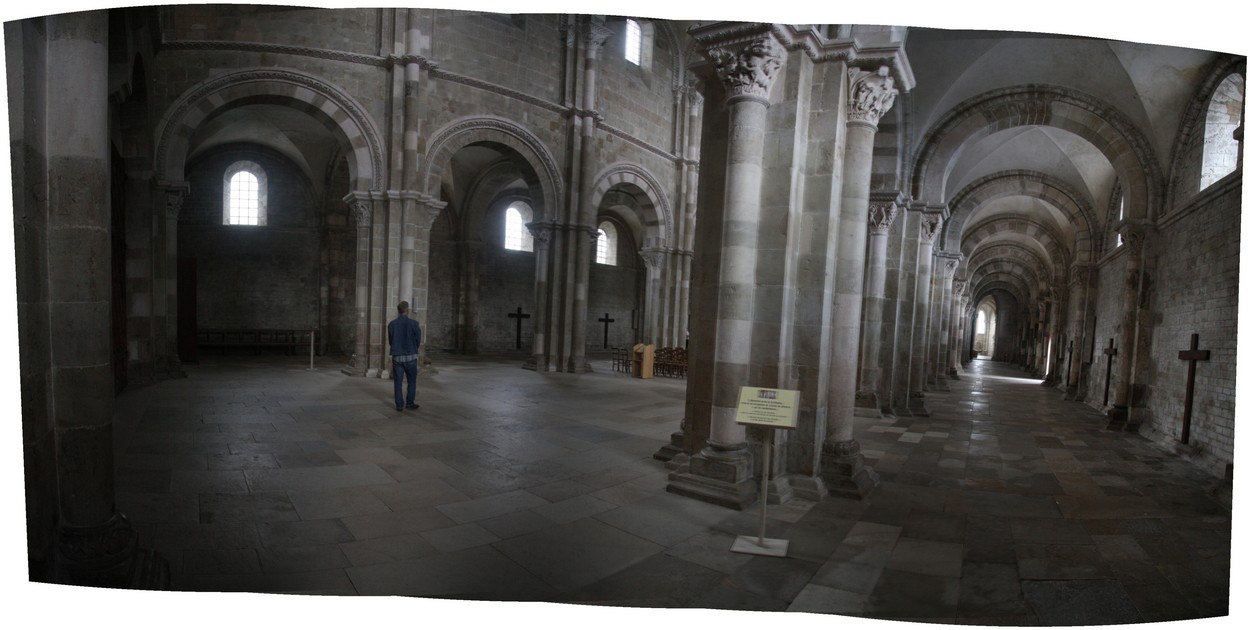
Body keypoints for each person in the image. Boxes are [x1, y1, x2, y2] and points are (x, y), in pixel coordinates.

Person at [387, 300, 422, 411]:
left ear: (399, 311)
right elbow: (418, 340)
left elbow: (391, 341)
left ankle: (399, 405)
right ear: (407, 311)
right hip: (411, 357)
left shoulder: (392, 324)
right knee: (411, 381)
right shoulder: (414, 324)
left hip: (397, 357)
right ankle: (410, 403)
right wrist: (412, 349)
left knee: (398, 382)